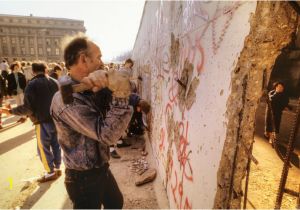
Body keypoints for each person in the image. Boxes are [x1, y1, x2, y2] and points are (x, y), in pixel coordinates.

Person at [50, 35, 133, 209]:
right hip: (82, 179)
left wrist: (112, 83)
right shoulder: (66, 100)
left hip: (101, 167)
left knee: (115, 203)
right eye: (98, 57)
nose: (102, 62)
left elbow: (118, 90)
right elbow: (108, 135)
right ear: (83, 59)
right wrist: (120, 95)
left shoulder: (90, 86)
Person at [2, 62, 62, 182]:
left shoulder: (32, 84)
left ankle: (50, 172)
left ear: (33, 71)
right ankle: (57, 168)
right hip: (56, 120)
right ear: (46, 70)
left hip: (41, 121)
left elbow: (27, 108)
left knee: (43, 148)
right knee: (56, 145)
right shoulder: (55, 82)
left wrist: (10, 111)